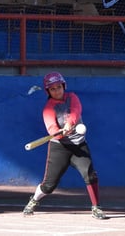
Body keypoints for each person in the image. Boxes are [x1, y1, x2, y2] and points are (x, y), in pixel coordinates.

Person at [22, 72, 107, 220]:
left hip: (79, 146)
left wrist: (69, 123)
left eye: (59, 87)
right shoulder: (48, 108)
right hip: (59, 147)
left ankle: (96, 207)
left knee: (90, 175)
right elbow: (52, 129)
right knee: (49, 185)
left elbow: (75, 111)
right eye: (53, 89)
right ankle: (34, 200)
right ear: (48, 91)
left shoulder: (72, 97)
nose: (57, 91)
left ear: (63, 86)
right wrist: (60, 133)